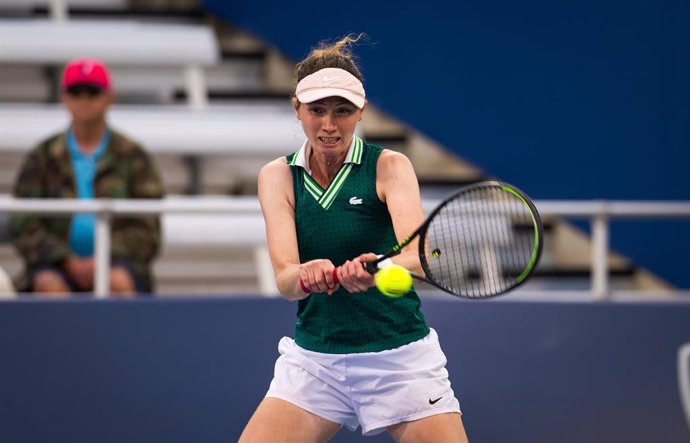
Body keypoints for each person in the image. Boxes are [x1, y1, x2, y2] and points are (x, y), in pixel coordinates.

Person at [239, 35, 469, 443]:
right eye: (317, 110)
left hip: (400, 361)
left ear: (360, 112)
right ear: (297, 109)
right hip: (315, 363)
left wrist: (378, 268)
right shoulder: (276, 176)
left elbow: (418, 255)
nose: (329, 125)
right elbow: (286, 281)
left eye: (342, 111)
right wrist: (308, 275)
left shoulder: (390, 166)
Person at [10, 58, 164, 297]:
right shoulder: (43, 157)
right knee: (49, 286)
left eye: (92, 92)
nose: (84, 101)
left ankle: (119, 335)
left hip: (118, 263)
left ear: (109, 97)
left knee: (118, 283)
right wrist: (65, 259)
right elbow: (23, 220)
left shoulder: (133, 156)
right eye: (76, 92)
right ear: (64, 97)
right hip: (54, 265)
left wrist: (103, 256)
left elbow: (148, 226)